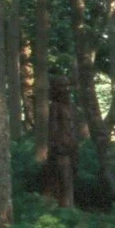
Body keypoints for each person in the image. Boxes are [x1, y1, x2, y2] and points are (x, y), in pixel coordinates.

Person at [44, 74, 80, 207]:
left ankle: (69, 210)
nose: (65, 89)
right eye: (61, 86)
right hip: (61, 149)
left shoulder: (71, 107)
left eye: (66, 86)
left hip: (71, 149)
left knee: (70, 180)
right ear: (55, 89)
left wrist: (76, 147)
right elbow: (52, 128)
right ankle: (63, 211)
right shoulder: (55, 106)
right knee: (62, 180)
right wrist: (55, 145)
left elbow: (74, 128)